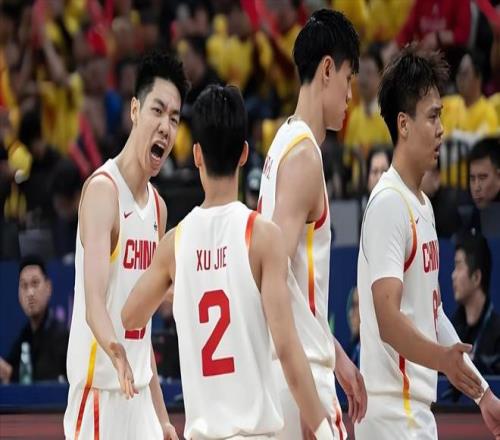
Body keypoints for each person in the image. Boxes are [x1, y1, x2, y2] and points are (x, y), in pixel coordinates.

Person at [122, 85, 334, 440]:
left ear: (196, 155)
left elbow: (130, 317)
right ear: (244, 153)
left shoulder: (175, 243)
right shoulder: (262, 236)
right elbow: (287, 349)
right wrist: (324, 429)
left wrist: (181, 290)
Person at [356, 44, 500, 440]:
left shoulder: (421, 205)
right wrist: (442, 361)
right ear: (403, 124)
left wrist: (483, 394)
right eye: (433, 116)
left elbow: (432, 316)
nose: (441, 130)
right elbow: (388, 321)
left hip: (412, 412)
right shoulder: (388, 203)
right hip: (391, 414)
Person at [63, 50, 188, 440]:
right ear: (134, 110)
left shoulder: (158, 209)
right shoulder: (103, 192)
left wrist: (161, 418)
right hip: (99, 399)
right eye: (157, 111)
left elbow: (143, 329)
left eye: (174, 118)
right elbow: (94, 304)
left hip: (139, 399)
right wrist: (116, 353)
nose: (165, 127)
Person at [258, 9, 367, 439]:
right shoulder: (304, 156)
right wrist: (307, 395)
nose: (350, 95)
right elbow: (272, 275)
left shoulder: (282, 144)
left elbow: (289, 284)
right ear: (326, 70)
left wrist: (336, 356)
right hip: (298, 376)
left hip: (291, 368)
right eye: (348, 79)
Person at [0, 254, 68, 384]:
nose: (30, 293)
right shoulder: (25, 336)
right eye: (24, 286)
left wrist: (9, 373)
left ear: (48, 288)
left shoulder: (61, 337)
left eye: (35, 283)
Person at [452, 233, 500, 375]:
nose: (453, 275)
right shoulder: (451, 330)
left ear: (476, 277)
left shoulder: (497, 334)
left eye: (459, 266)